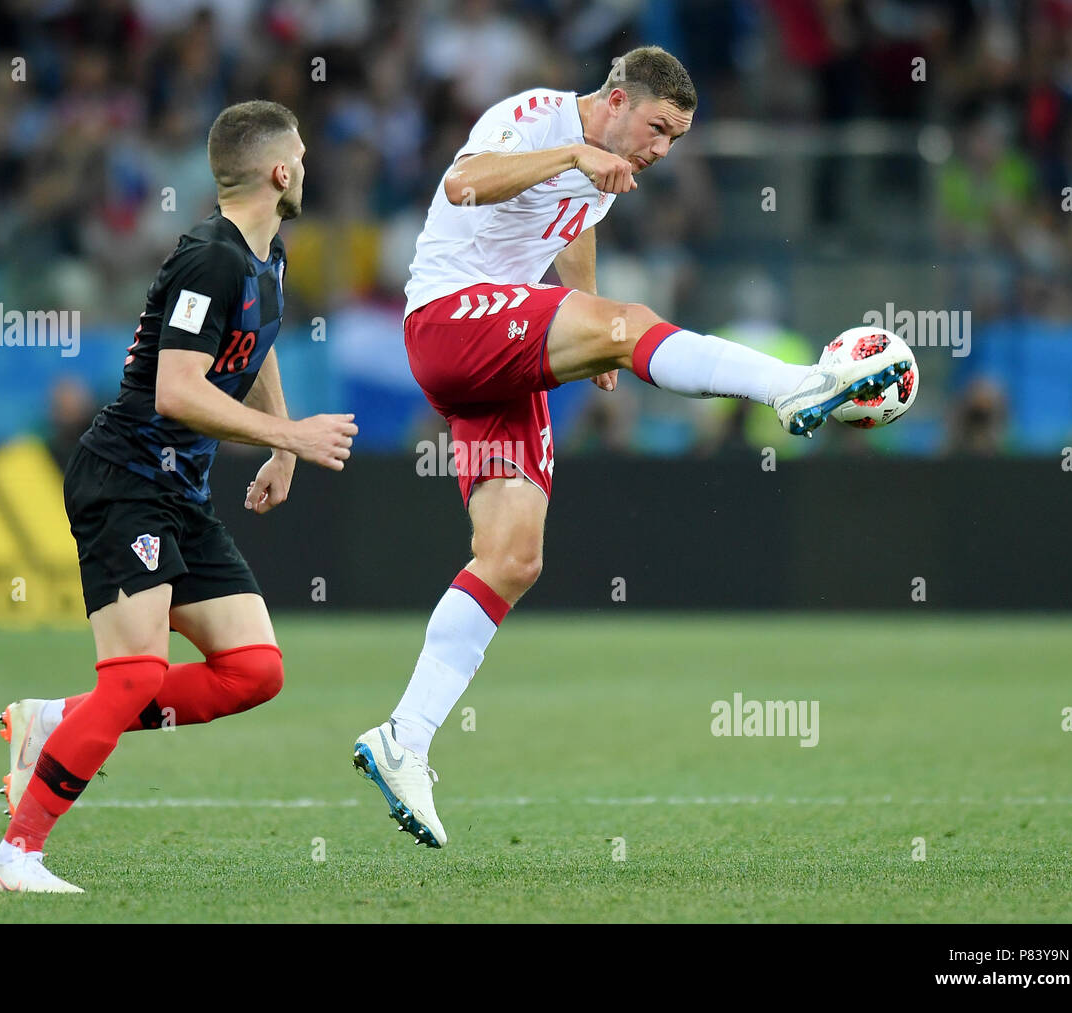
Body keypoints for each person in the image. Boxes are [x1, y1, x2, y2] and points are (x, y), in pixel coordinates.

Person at [352, 46, 910, 847]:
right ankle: (791, 384)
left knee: (511, 558)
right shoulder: (535, 117)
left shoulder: (605, 168)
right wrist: (607, 312)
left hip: (500, 356)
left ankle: (405, 737)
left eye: (676, 139)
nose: (660, 150)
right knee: (637, 320)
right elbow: (462, 184)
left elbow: (568, 230)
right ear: (614, 100)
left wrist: (586, 319)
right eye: (657, 128)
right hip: (447, 321)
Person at [0, 100, 357, 892]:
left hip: (179, 491)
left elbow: (256, 347)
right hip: (126, 480)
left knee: (254, 669)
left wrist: (279, 441)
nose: (310, 167)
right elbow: (179, 390)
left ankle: (57, 719)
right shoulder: (209, 258)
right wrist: (290, 438)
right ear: (280, 171)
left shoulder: (267, 255)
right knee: (133, 676)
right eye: (304, 155)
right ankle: (15, 856)